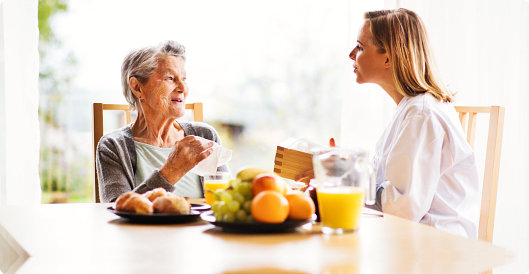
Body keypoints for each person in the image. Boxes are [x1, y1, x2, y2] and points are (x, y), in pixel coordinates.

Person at [348, 9, 480, 238]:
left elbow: (402, 206)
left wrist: (347, 182)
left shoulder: (422, 115)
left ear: (388, 57)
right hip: (411, 241)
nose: (351, 54)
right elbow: (388, 185)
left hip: (433, 250)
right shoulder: (411, 110)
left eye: (360, 47)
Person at [96, 40, 227, 203]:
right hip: (144, 230)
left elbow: (225, 201)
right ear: (137, 87)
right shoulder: (113, 146)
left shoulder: (205, 136)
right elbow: (115, 209)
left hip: (199, 228)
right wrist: (171, 171)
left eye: (184, 79)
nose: (182, 88)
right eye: (170, 78)